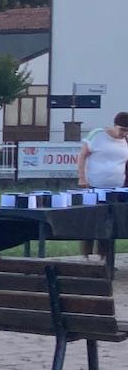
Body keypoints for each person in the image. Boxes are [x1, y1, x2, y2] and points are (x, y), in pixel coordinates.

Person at [76, 111, 128, 260]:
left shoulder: (126, 141)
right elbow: (82, 155)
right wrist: (82, 178)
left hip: (116, 188)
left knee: (111, 223)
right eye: (122, 130)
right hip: (94, 186)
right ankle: (86, 255)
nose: (123, 134)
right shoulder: (98, 134)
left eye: (127, 131)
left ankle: (105, 257)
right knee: (91, 220)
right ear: (114, 126)